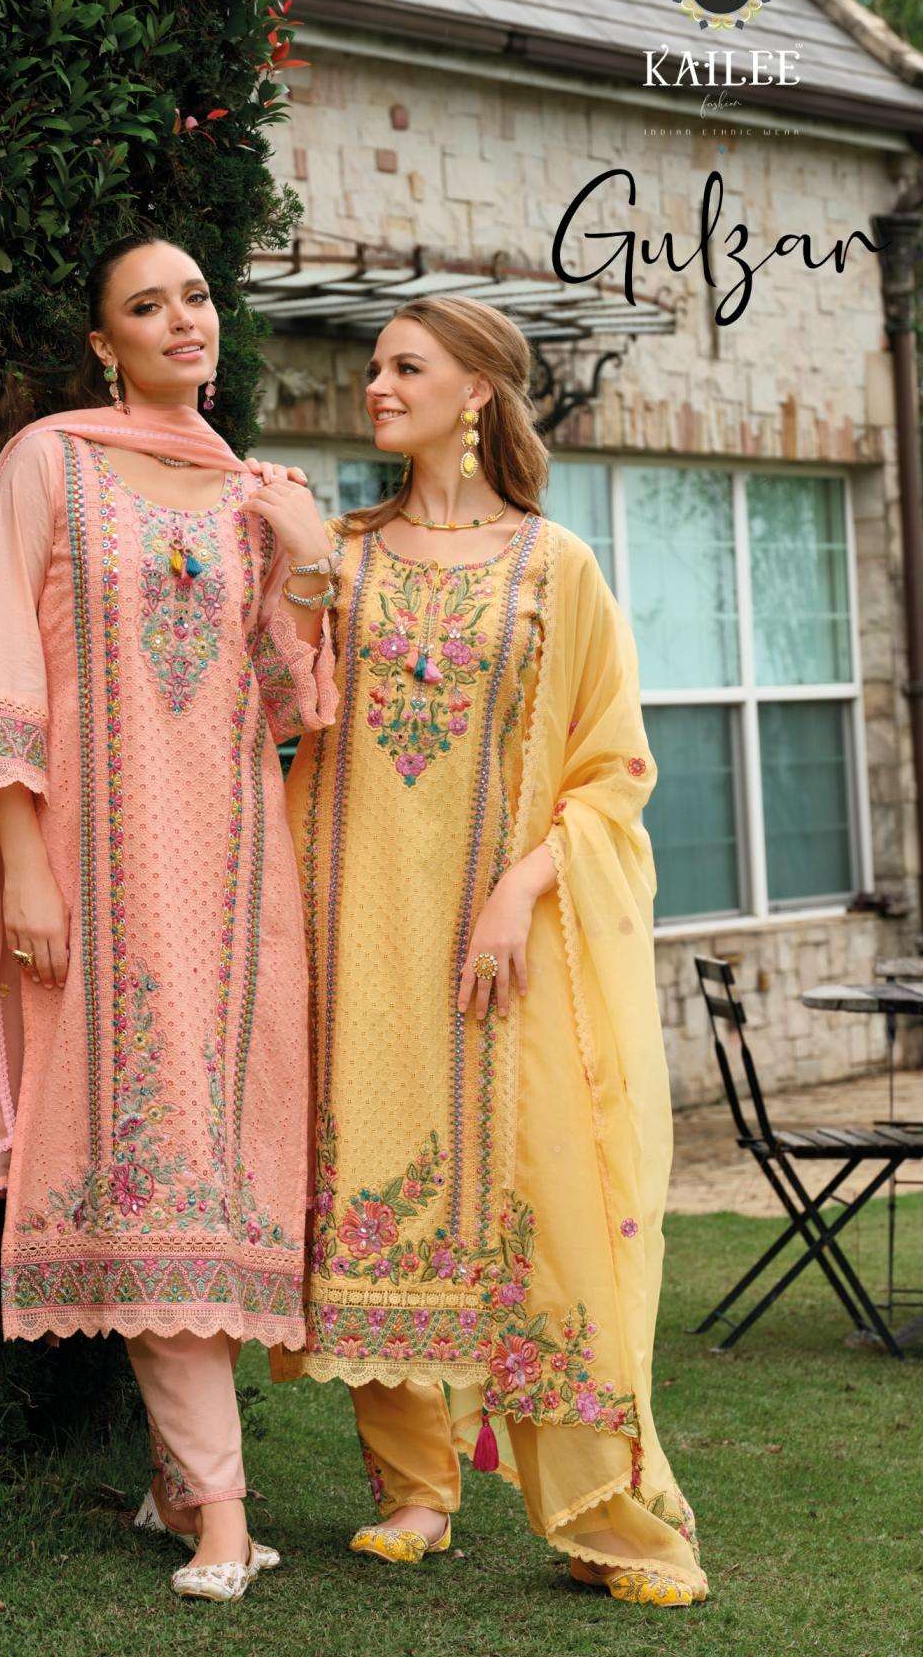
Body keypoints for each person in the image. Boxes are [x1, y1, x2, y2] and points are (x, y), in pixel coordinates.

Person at [0, 234, 337, 1601]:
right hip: (97, 877)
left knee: (213, 1174)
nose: (181, 320)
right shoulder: (51, 464)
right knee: (151, 1167)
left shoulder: (248, 493)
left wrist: (310, 562)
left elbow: (299, 704)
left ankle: (176, 1486)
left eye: (196, 297)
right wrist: (24, 865)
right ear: (105, 344)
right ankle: (223, 1515)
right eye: (147, 306)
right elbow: (0, 670)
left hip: (235, 883)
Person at [274, 295, 709, 1607]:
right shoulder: (343, 554)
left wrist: (524, 887)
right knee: (375, 1181)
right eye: (373, 367)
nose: (377, 385)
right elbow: (282, 708)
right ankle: (415, 1492)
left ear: (475, 392)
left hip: (506, 950)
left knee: (544, 1211)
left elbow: (614, 764)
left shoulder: (554, 566)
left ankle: (601, 1514)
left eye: (405, 367)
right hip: (356, 935)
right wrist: (297, 569)